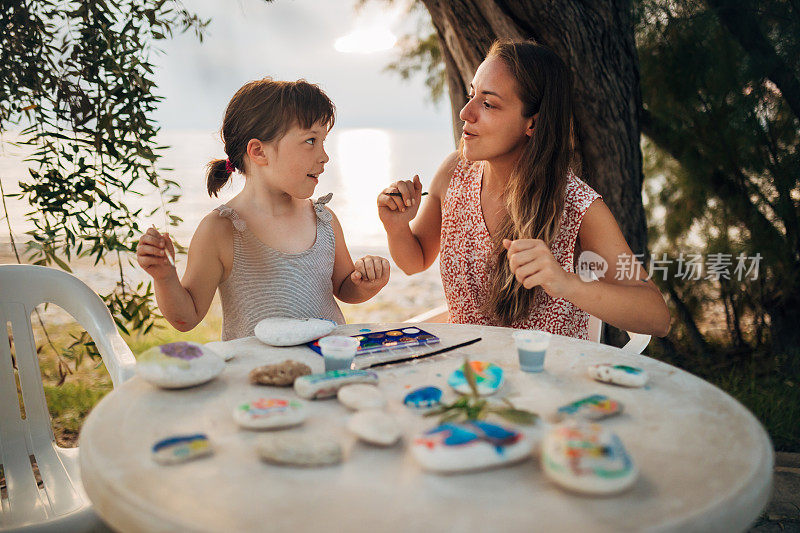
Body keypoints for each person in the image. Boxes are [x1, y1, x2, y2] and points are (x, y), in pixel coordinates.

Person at [377, 39, 670, 339]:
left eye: (488, 103)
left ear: (532, 123)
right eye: (471, 95)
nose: (466, 112)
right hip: (467, 374)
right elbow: (416, 260)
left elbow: (656, 317)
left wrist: (565, 282)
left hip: (544, 379)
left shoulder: (578, 206)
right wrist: (397, 227)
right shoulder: (454, 173)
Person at [137, 78, 390, 340]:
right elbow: (185, 318)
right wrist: (165, 277)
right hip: (259, 377)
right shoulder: (221, 230)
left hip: (327, 370)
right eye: (311, 140)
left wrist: (367, 282)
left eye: (324, 140)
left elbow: (344, 288)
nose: (325, 155)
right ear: (259, 151)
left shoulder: (324, 220)